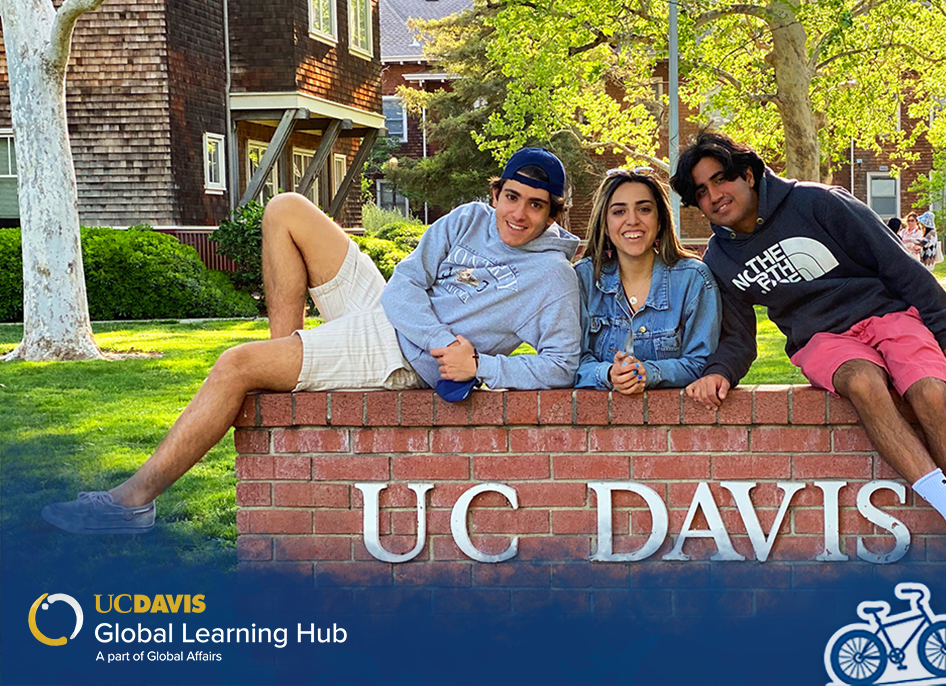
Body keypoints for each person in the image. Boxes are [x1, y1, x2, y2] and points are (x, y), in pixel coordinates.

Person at [42, 148, 583, 534]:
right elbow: (406, 286)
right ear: (496, 192)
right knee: (285, 208)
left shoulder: (551, 279)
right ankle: (288, 371)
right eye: (511, 196)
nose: (517, 213)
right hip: (392, 311)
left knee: (234, 366)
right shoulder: (469, 219)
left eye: (536, 205)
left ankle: (133, 501)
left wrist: (480, 365)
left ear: (554, 213)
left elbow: (561, 365)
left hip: (401, 355)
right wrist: (443, 335)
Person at [672, 131, 946, 579]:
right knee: (863, 382)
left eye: (721, 180)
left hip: (887, 314)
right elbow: (738, 337)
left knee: (930, 391)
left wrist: (945, 332)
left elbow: (895, 262)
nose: (714, 196)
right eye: (701, 192)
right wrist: (720, 371)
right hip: (821, 338)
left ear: (748, 175)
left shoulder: (818, 203)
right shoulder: (722, 258)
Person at [574, 167, 721, 392]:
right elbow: (568, 363)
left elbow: (701, 364)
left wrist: (648, 372)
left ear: (660, 220)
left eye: (644, 209)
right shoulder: (583, 278)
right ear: (605, 223)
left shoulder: (694, 280)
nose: (632, 220)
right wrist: (608, 374)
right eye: (619, 212)